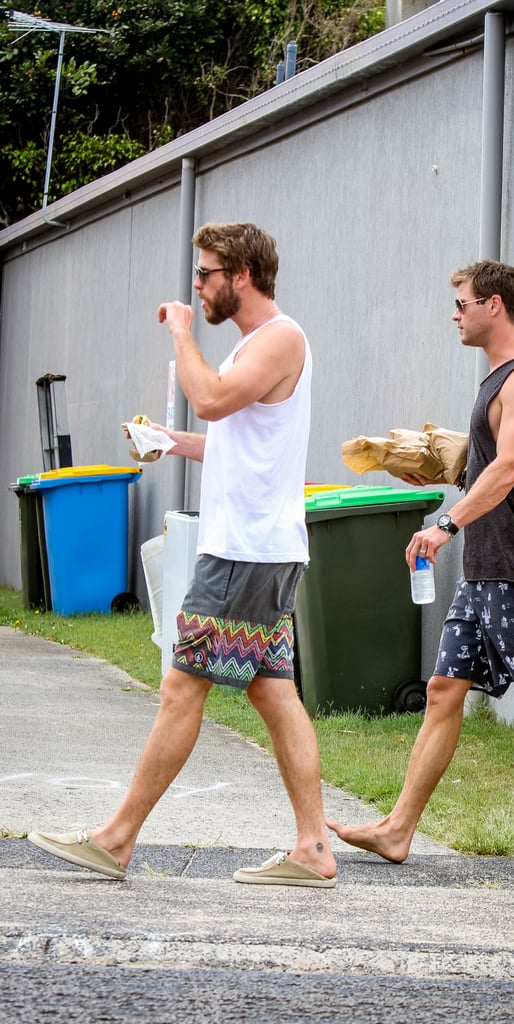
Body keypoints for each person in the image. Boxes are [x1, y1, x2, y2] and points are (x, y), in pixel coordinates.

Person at [29, 222, 337, 888]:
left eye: (205, 274)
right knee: (272, 691)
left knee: (180, 689)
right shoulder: (257, 345)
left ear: (242, 276)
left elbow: (213, 399)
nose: (196, 287)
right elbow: (232, 432)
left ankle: (116, 839)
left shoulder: (279, 338)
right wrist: (169, 441)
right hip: (258, 550)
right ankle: (313, 848)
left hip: (244, 553)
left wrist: (180, 335)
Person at [327, 259, 514, 874]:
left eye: (463, 303)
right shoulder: (495, 381)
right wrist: (444, 472)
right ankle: (397, 829)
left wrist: (445, 523)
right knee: (443, 692)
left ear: (495, 304)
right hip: (485, 572)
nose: (455, 314)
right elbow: (488, 468)